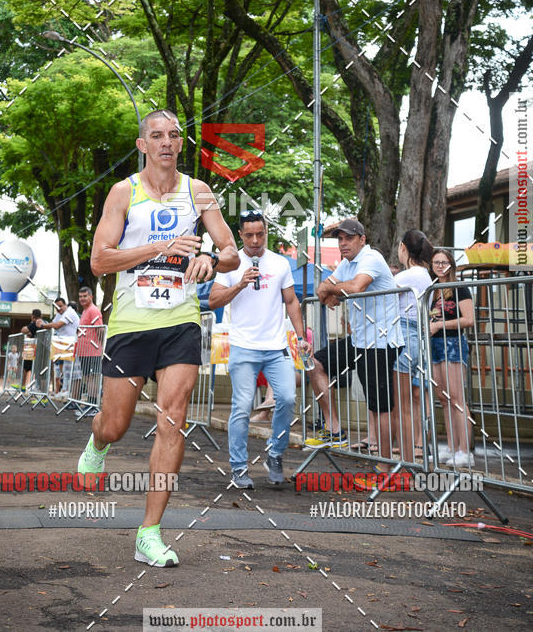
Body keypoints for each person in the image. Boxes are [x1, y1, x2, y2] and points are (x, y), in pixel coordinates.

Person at [78, 109, 239, 568]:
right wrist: (159, 248)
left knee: (173, 418)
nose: (165, 142)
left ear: (181, 143)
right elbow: (99, 261)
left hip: (181, 321)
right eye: (156, 135)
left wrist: (212, 258)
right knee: (115, 424)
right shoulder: (122, 192)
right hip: (131, 323)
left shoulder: (198, 192)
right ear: (142, 145)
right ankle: (98, 445)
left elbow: (230, 249)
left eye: (173, 135)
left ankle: (149, 533)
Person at [208, 210, 310, 488]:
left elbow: (291, 302)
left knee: (287, 399)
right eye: (249, 235)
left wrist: (301, 337)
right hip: (243, 347)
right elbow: (214, 300)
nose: (255, 240)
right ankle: (239, 468)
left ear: (267, 232)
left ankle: (275, 454)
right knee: (241, 407)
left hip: (276, 347)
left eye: (260, 234)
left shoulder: (279, 263)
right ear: (240, 235)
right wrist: (240, 283)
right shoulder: (231, 263)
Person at [310, 219, 403, 475]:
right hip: (359, 341)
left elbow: (355, 286)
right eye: (340, 239)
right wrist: (330, 289)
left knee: (379, 406)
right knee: (315, 363)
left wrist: (332, 289)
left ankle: (386, 467)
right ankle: (335, 429)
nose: (343, 243)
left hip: (381, 342)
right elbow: (321, 289)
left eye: (348, 238)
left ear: (362, 239)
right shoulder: (347, 262)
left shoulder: (371, 258)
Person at [429, 248, 475, 469]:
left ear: (451, 265)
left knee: (457, 399)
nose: (439, 266)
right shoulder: (434, 291)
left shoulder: (460, 289)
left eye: (444, 262)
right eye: (436, 262)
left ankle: (465, 450)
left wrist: (438, 325)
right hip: (435, 345)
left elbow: (468, 320)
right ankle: (451, 446)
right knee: (444, 398)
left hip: (453, 343)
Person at [391, 229, 433, 463]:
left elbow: (379, 289)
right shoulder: (422, 274)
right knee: (405, 403)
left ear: (404, 248)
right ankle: (406, 459)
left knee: (402, 405)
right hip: (414, 336)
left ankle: (406, 463)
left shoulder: (411, 275)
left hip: (405, 335)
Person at [37, 297, 79, 397]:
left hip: (73, 346)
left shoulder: (69, 312)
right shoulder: (61, 314)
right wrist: (43, 323)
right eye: (56, 307)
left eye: (60, 306)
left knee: (75, 374)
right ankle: (66, 392)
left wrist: (42, 325)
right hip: (64, 347)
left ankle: (73, 396)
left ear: (65, 305)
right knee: (66, 371)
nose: (58, 309)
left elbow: (56, 325)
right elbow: (52, 323)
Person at [72, 286, 104, 407]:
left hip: (92, 351)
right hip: (84, 352)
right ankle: (90, 404)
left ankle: (92, 404)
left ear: (91, 296)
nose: (82, 299)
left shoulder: (93, 310)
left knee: (93, 378)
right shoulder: (85, 311)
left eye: (85, 296)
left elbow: (100, 329)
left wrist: (100, 347)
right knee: (87, 378)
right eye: (80, 297)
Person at [21, 309, 43, 390]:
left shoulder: (35, 323)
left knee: (28, 368)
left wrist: (29, 328)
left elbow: (23, 330)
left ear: (32, 316)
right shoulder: (44, 322)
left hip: (33, 351)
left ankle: (24, 386)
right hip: (42, 351)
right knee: (38, 370)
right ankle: (37, 388)